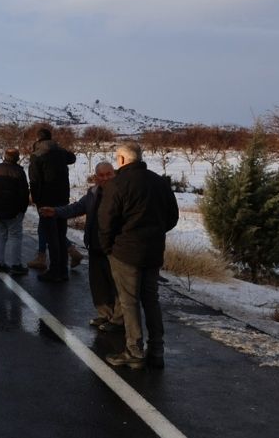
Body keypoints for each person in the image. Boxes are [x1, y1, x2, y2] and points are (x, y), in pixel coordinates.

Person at [97, 142, 179, 370]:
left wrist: (108, 247)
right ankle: (157, 350)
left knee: (129, 301)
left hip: (125, 252)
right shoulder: (159, 182)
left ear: (123, 159)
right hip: (153, 250)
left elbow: (106, 221)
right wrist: (155, 232)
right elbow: (172, 217)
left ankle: (134, 350)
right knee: (151, 300)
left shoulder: (117, 184)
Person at [40, 162, 122, 331]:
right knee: (98, 284)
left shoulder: (122, 193)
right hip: (95, 245)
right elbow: (77, 208)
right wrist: (55, 211)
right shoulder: (92, 193)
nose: (105, 178)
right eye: (101, 175)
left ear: (114, 174)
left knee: (117, 285)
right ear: (96, 177)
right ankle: (104, 314)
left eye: (109, 174)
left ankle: (118, 320)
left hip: (114, 247)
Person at [28, 127, 76, 282]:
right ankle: (63, 271)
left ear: (38, 139)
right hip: (63, 198)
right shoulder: (60, 152)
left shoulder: (37, 155)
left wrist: (36, 200)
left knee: (51, 236)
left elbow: (34, 180)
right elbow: (72, 158)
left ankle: (55, 271)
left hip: (46, 200)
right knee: (61, 235)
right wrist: (59, 148)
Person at [0, 148, 30, 276]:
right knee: (15, 236)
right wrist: (22, 209)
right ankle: (16, 265)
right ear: (17, 158)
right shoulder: (18, 172)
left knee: (0, 235)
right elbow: (24, 193)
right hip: (13, 211)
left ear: (5, 156)